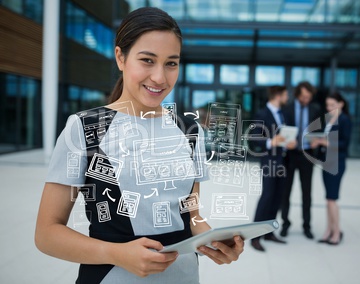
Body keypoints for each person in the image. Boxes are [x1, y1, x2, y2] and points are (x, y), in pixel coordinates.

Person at [35, 7, 243, 284]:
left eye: (171, 63)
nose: (160, 77)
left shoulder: (190, 130)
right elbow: (47, 234)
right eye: (147, 60)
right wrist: (117, 253)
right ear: (120, 57)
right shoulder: (84, 128)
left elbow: (191, 216)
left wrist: (214, 242)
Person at [250, 85, 297, 252]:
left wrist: (290, 143)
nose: (287, 97)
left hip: (284, 161)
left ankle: (269, 232)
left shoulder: (284, 114)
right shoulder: (262, 114)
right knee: (267, 197)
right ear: (277, 95)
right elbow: (254, 138)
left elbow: (287, 135)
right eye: (285, 94)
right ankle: (255, 237)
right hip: (269, 161)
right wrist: (271, 142)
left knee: (278, 197)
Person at [280, 81, 321, 239]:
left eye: (309, 97)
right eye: (304, 97)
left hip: (307, 154)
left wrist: (317, 140)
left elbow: (319, 130)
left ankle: (307, 225)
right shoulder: (287, 108)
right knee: (286, 192)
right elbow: (280, 130)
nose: (306, 100)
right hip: (289, 155)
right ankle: (285, 224)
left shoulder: (315, 109)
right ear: (298, 94)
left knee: (307, 192)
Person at [311, 92, 352, 245]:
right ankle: (328, 230)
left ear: (341, 104)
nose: (330, 108)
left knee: (332, 199)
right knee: (328, 199)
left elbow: (344, 144)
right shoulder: (330, 119)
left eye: (333, 105)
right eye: (328, 105)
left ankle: (337, 232)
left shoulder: (344, 120)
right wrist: (319, 142)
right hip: (327, 163)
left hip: (337, 163)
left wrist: (326, 143)